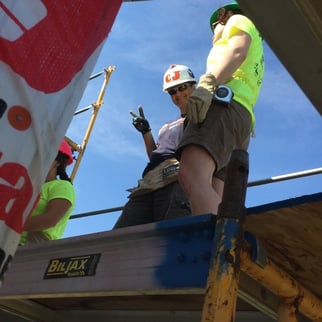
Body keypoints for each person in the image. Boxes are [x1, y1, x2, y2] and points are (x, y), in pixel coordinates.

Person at [176, 1, 265, 216]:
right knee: (216, 190)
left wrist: (208, 83)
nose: (214, 32)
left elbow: (236, 50)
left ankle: (215, 247)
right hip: (240, 120)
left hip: (223, 108)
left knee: (192, 174)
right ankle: (225, 243)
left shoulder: (239, 20)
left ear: (223, 16)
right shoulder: (258, 49)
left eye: (215, 25)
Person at [113, 64, 196, 228]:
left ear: (194, 86)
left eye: (182, 87)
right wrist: (146, 132)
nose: (178, 94)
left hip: (176, 177)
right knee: (122, 235)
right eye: (172, 91)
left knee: (171, 234)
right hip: (149, 182)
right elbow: (156, 155)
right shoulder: (167, 126)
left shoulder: (202, 116)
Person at [19, 140, 76, 245]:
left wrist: (10, 225)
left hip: (29, 247)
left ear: (57, 162)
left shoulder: (62, 186)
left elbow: (50, 220)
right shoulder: (25, 186)